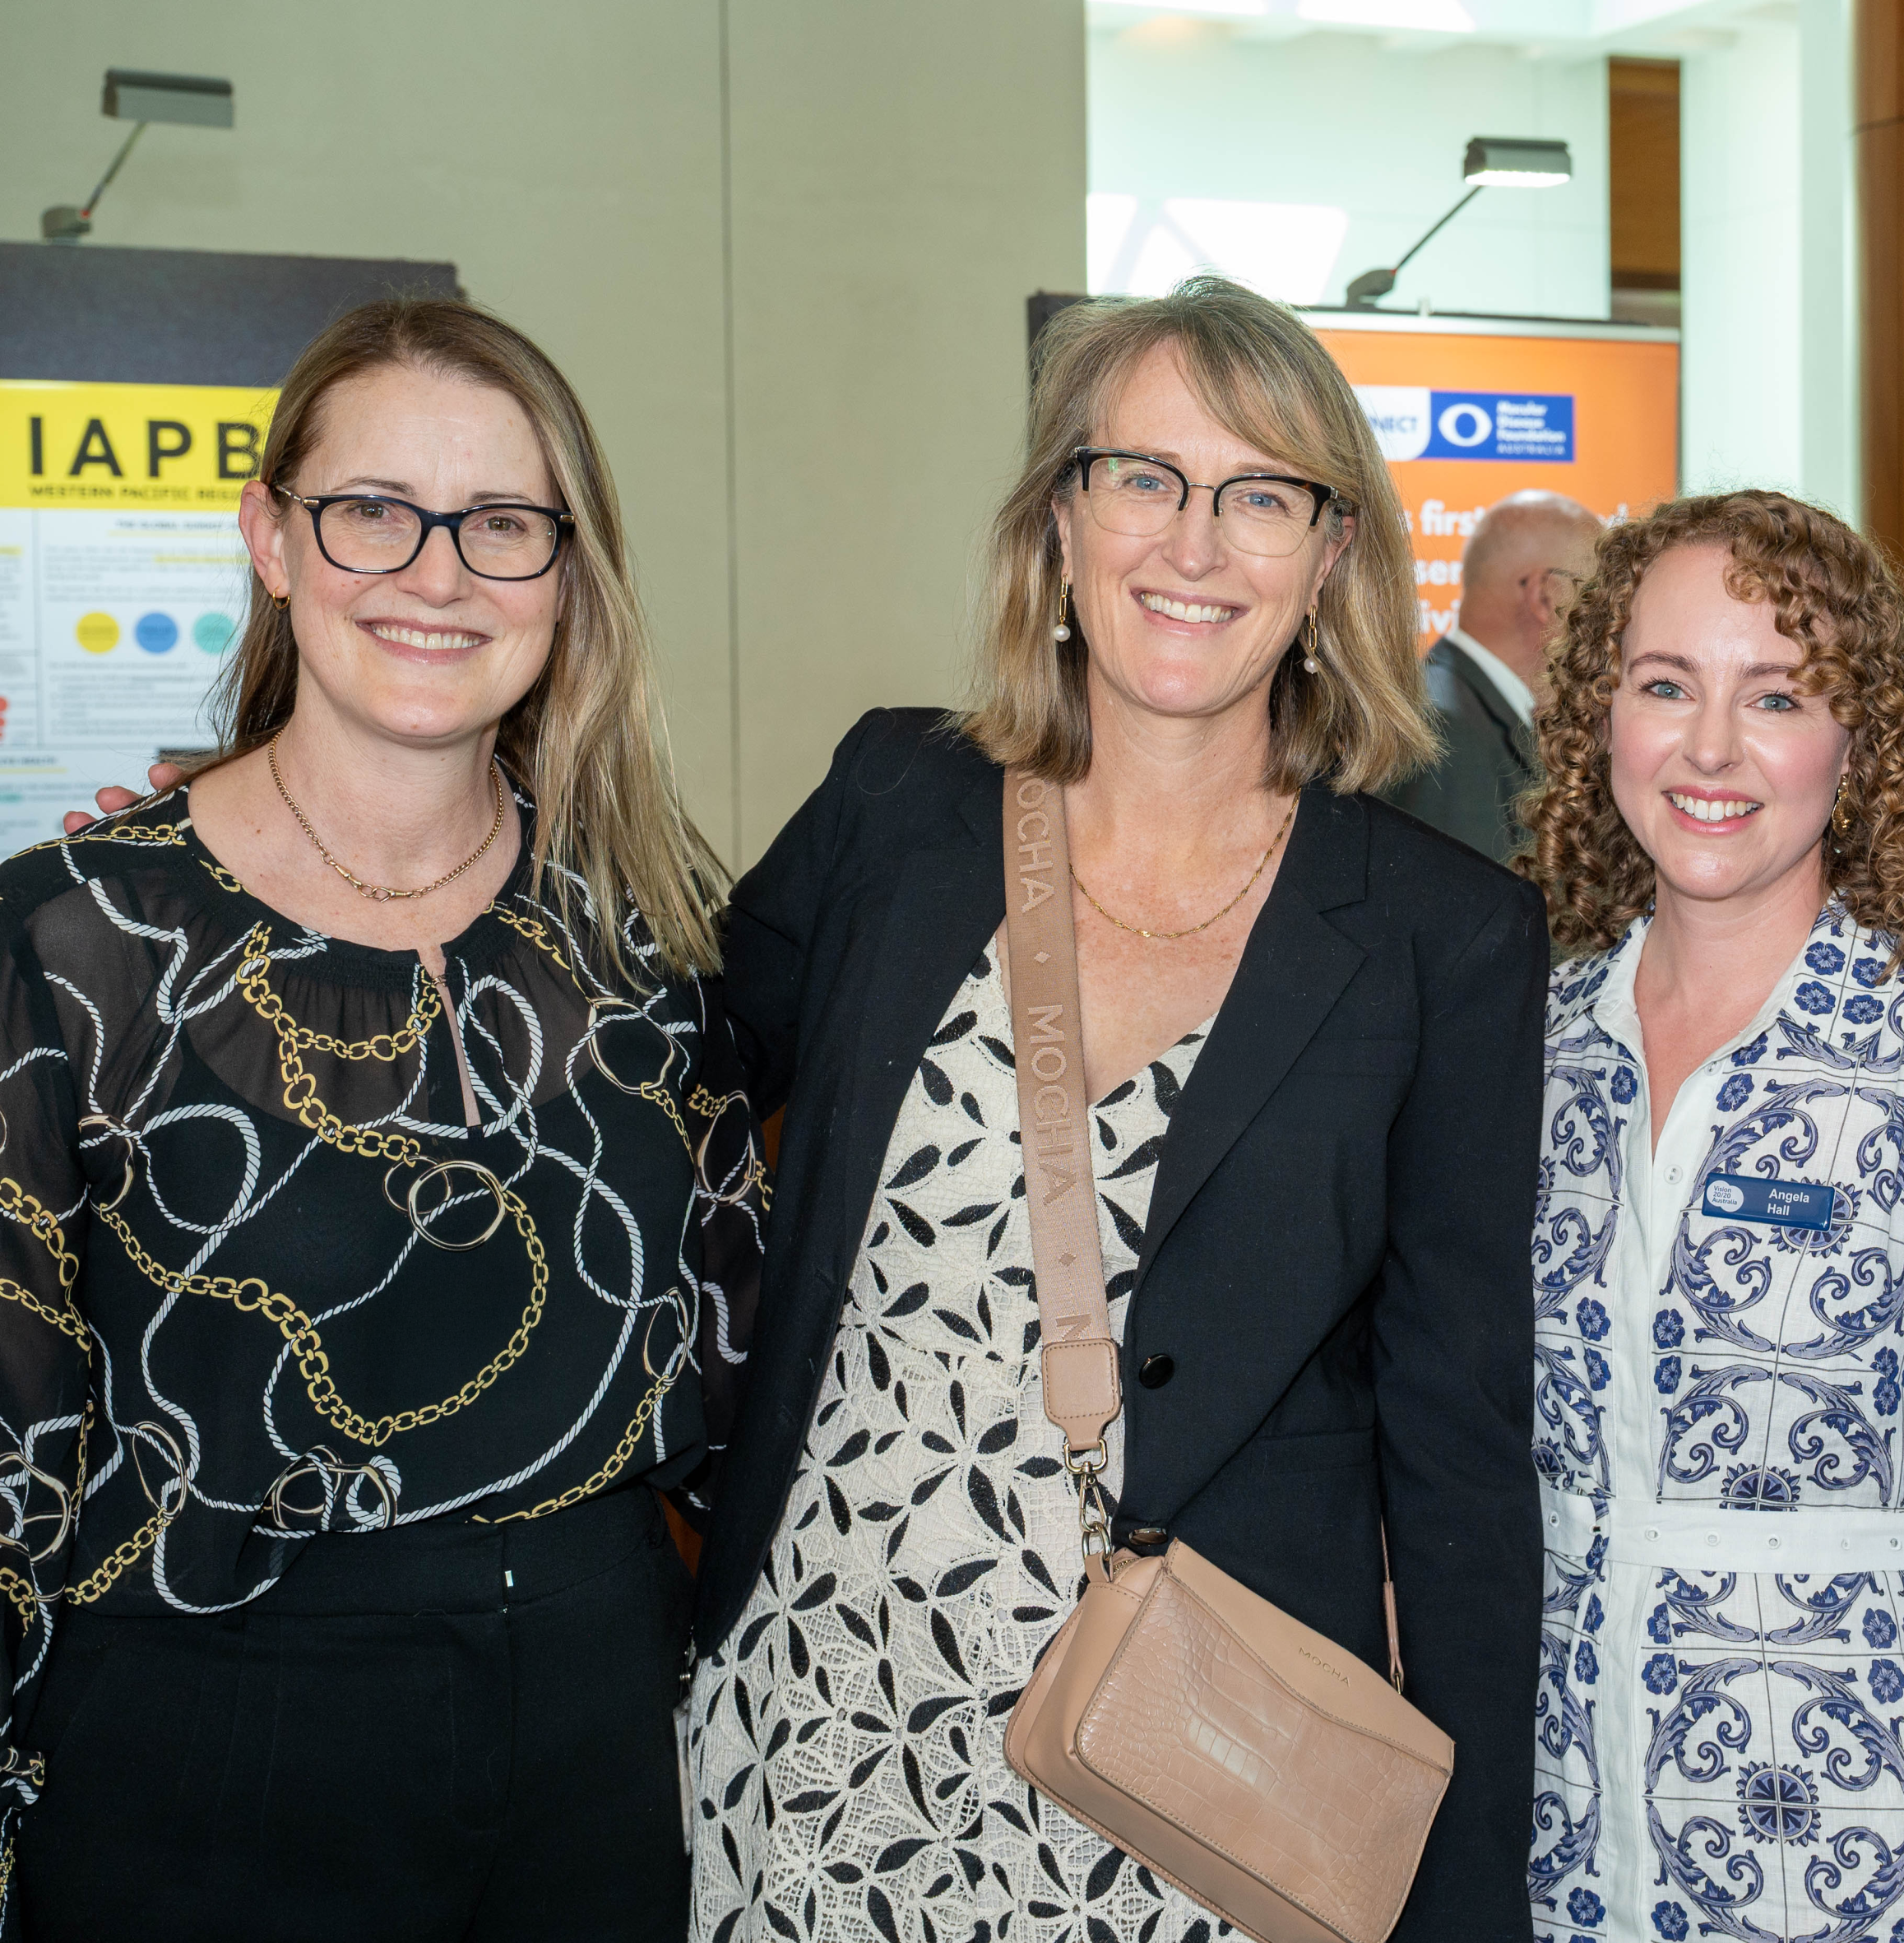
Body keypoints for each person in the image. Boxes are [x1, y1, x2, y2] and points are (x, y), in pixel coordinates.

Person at [686, 277, 1548, 1942]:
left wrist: (1460, 1896)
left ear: (1330, 559)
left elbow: (1455, 1443)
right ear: (1060, 524)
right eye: (1139, 475)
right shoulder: (895, 802)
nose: (1191, 541)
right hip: (820, 1701)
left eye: (1257, 493)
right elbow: (659, 1078)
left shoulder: (1443, 935)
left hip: (1176, 1769)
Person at [6, 299, 762, 1940]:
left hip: (592, 1724)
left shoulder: (649, 920)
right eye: (373, 513)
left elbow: (742, 1338)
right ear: (271, 538)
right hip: (204, 1733)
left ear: (568, 571)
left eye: (502, 524)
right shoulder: (71, 938)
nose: (438, 575)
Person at [1517, 489, 1904, 1943]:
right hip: (1560, 1844)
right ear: (1605, 717)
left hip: (1872, 1853)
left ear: (1860, 741)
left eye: (1775, 695)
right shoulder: (1522, 1052)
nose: (1711, 747)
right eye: (1667, 686)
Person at [1380, 488, 1601, 860]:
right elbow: (1459, 913)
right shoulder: (1447, 734)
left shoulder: (1455, 709)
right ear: (1545, 597)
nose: (1613, 615)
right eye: (1597, 592)